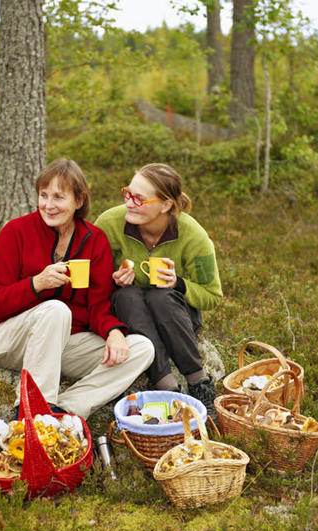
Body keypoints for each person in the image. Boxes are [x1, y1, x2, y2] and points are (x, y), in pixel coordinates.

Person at [0, 158, 154, 420]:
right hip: (8, 341)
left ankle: (64, 411)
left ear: (79, 200)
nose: (48, 205)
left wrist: (114, 332)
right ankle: (31, 413)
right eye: (43, 195)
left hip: (63, 346)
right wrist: (36, 284)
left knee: (141, 348)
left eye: (59, 197)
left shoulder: (94, 240)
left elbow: (98, 305)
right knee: (56, 310)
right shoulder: (15, 232)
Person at [94, 163, 222, 415]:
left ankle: (199, 383)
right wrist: (113, 280)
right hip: (130, 314)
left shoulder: (193, 235)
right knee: (126, 295)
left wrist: (179, 283)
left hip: (176, 317)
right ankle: (167, 387)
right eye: (128, 194)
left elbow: (212, 296)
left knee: (160, 296)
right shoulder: (109, 224)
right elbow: (92, 282)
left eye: (139, 199)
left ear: (165, 205)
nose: (129, 203)